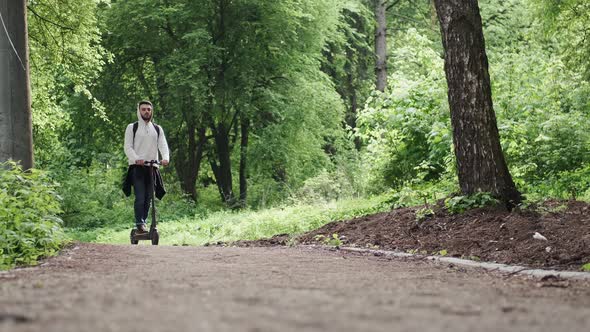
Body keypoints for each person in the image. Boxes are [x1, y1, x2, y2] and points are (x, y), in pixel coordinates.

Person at [123, 100, 170, 233]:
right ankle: (140, 223)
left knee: (149, 197)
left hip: (152, 167)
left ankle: (143, 222)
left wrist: (165, 158)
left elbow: (163, 145)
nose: (146, 112)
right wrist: (136, 158)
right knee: (140, 196)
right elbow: (127, 147)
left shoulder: (157, 128)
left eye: (149, 109)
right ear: (139, 111)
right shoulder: (132, 127)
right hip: (137, 168)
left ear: (151, 111)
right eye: (143, 109)